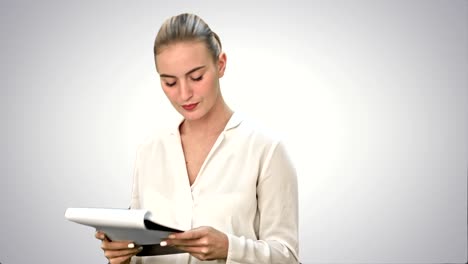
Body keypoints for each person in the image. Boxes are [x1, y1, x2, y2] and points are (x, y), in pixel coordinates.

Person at [95, 13, 299, 264]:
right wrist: (122, 257)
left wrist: (229, 248)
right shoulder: (150, 149)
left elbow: (288, 257)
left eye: (196, 77)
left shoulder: (266, 149)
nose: (184, 94)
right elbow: (140, 253)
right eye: (170, 82)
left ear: (220, 64)